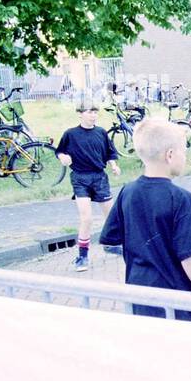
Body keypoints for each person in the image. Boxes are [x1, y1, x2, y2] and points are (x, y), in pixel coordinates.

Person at [99, 119, 191, 321]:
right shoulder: (181, 199)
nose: (185, 157)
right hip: (177, 301)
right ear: (170, 155)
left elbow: (111, 237)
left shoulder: (127, 192)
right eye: (183, 151)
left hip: (140, 296)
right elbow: (189, 257)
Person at [55, 105, 121, 271]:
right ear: (80, 114)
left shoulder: (101, 132)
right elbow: (59, 151)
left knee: (111, 216)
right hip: (80, 178)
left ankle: (111, 244)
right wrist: (63, 157)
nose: (93, 115)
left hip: (99, 178)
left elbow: (109, 153)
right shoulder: (70, 134)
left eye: (95, 112)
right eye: (90, 112)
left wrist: (113, 165)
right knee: (87, 218)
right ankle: (82, 257)